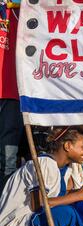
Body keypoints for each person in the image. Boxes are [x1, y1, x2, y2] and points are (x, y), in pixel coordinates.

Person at [0, 127, 83, 226]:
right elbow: (39, 204)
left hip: (35, 214)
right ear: (67, 146)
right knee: (66, 213)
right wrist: (78, 195)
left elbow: (58, 196)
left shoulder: (62, 168)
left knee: (81, 204)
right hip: (13, 224)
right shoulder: (44, 163)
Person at [0, 3, 22, 193]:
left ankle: (5, 208)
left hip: (11, 94)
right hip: (11, 94)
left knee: (8, 160)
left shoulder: (18, 10)